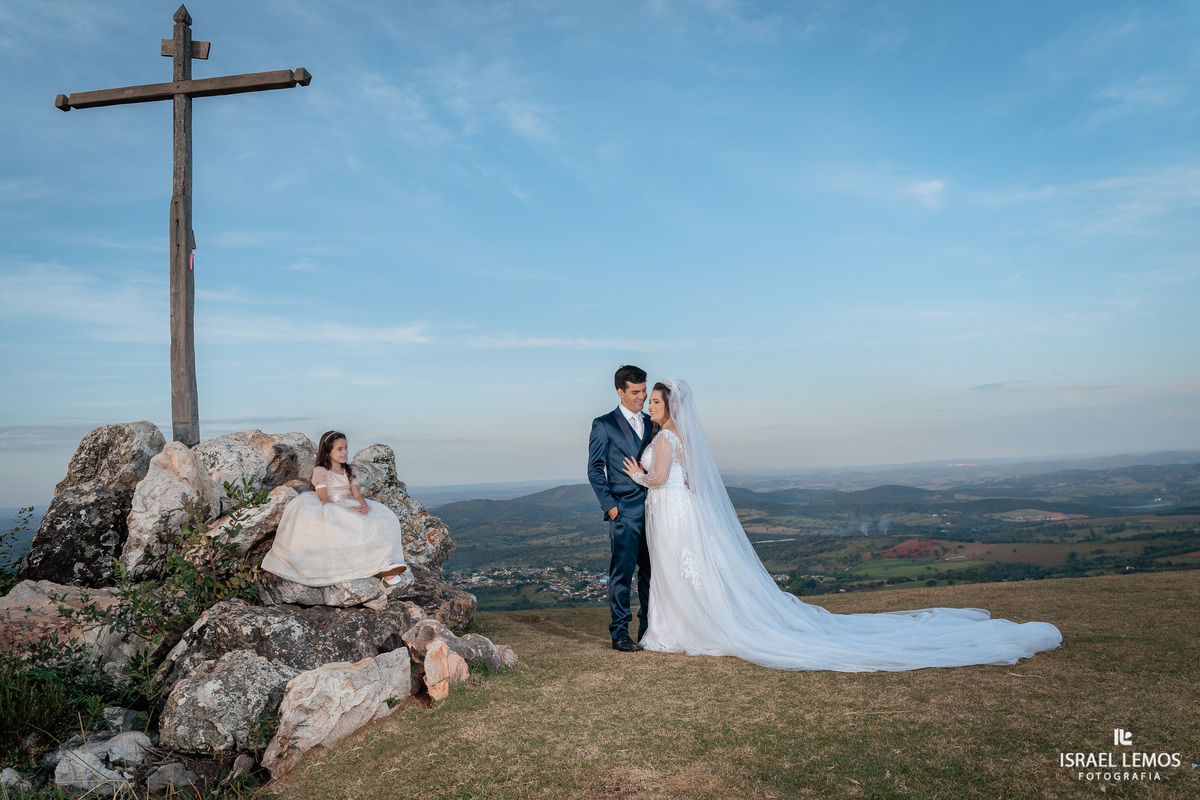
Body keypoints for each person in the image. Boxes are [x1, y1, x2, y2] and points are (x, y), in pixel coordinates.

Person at [621, 379, 1063, 671]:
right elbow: (691, 481)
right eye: (650, 401)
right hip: (681, 510)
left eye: (656, 401)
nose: (652, 406)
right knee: (683, 570)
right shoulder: (678, 438)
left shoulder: (664, 438)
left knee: (678, 569)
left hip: (670, 510)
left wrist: (633, 474)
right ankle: (681, 625)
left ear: (669, 404)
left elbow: (658, 478)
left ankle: (677, 629)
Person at [261, 431, 408, 587]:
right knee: (351, 527)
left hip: (348, 502)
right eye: (339, 449)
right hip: (330, 505)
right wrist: (344, 510)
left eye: (345, 448)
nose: (344, 452)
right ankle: (376, 567)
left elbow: (356, 494)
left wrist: (363, 505)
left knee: (383, 520)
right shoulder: (321, 471)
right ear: (328, 452)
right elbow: (323, 497)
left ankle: (384, 564)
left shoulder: (350, 470)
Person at [588, 365, 656, 652]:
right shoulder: (603, 424)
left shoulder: (654, 423)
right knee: (622, 575)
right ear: (620, 392)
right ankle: (619, 633)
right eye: (636, 392)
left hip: (655, 512)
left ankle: (648, 630)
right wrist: (612, 507)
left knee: (651, 575)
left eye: (644, 391)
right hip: (624, 513)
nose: (642, 397)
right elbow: (594, 470)